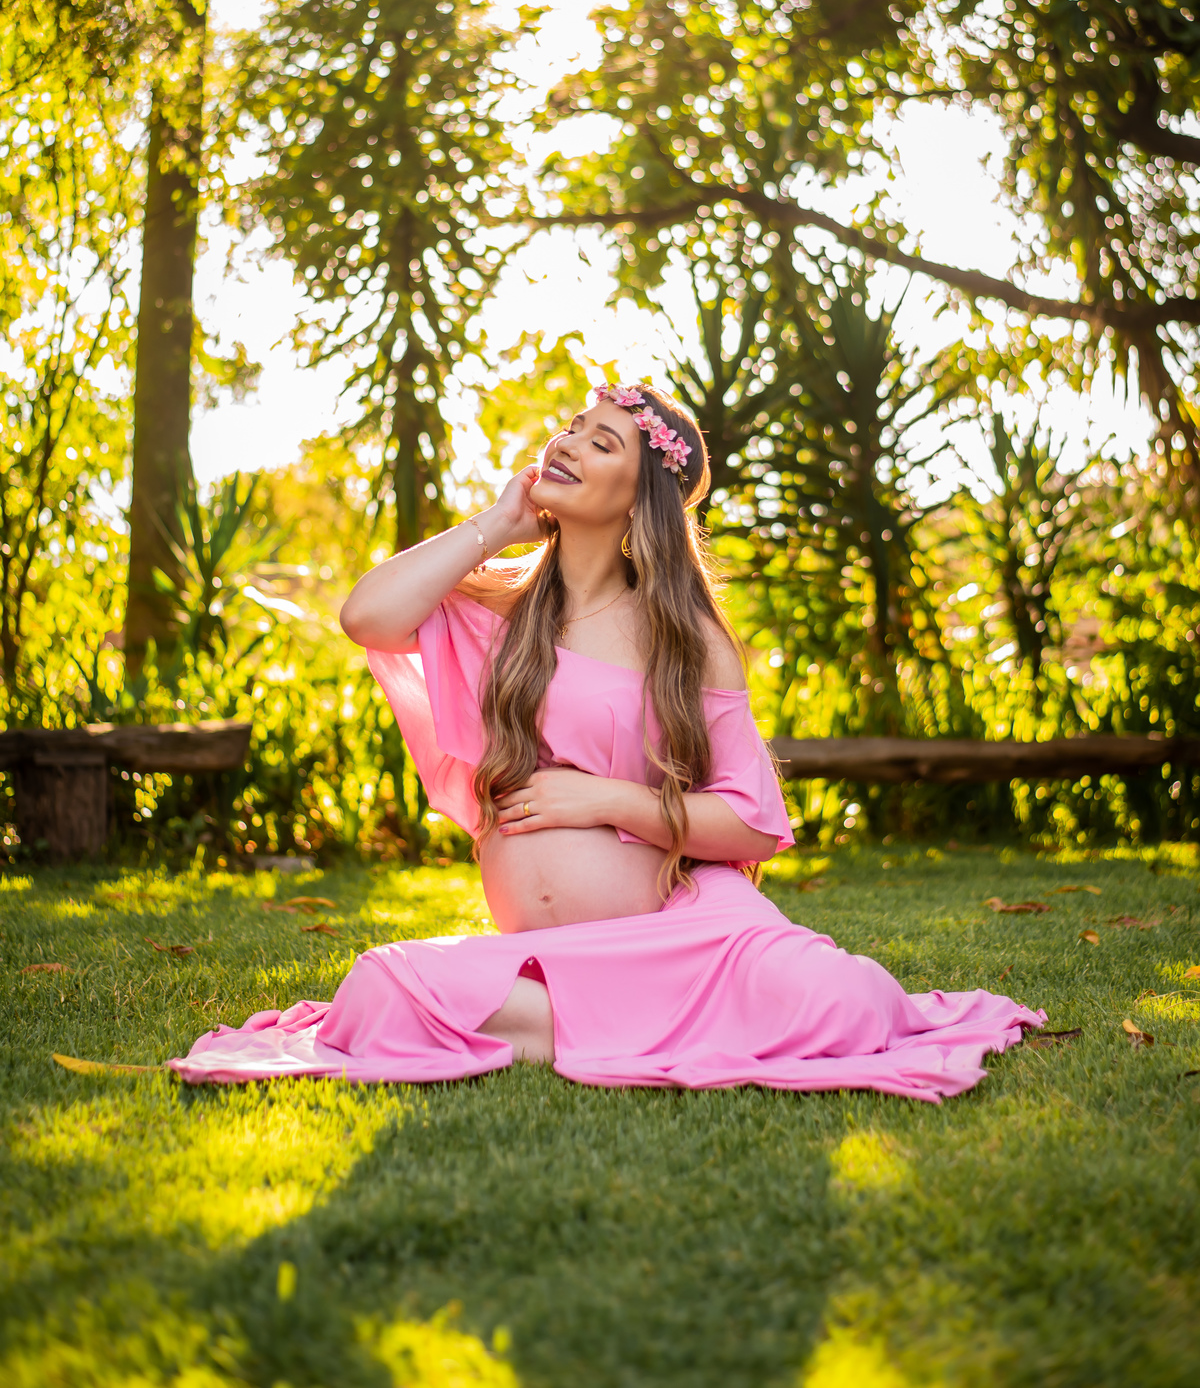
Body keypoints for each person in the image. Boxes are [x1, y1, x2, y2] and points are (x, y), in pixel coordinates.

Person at [170, 382, 1044, 1097]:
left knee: (844, 1001)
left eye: (601, 442)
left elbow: (749, 822)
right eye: (572, 428)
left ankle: (626, 1023)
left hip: (685, 938)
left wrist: (607, 800)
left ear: (639, 496)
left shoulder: (686, 638)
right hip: (551, 963)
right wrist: (498, 525)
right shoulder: (497, 605)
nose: (568, 443)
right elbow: (367, 615)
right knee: (381, 987)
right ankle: (631, 1030)